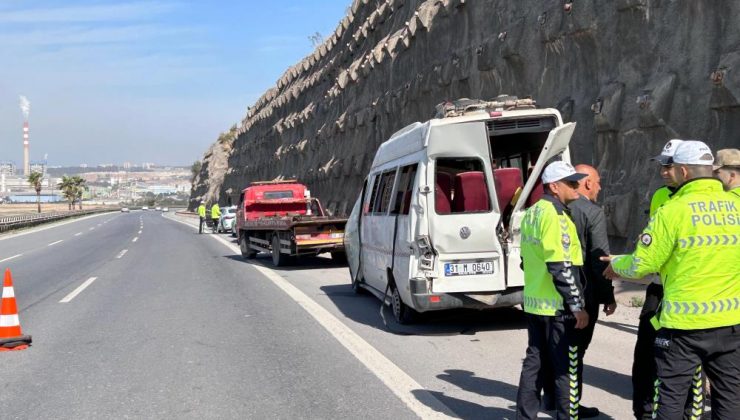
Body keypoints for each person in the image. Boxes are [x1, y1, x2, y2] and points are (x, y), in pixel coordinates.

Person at [603, 141, 740, 419]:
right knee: (729, 399)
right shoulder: (735, 206)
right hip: (730, 323)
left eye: (672, 168)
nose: (667, 173)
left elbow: (644, 263)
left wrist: (617, 264)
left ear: (684, 171)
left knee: (670, 400)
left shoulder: (673, 210)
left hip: (683, 327)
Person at [516, 161, 589, 420]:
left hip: (535, 303)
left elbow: (526, 260)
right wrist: (577, 305)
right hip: (557, 307)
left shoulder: (532, 213)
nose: (578, 185)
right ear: (555, 187)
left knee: (534, 363)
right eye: (571, 182)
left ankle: (525, 416)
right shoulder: (556, 217)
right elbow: (561, 266)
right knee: (565, 369)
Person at [631, 139, 686, 419]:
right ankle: (643, 410)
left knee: (682, 359)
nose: (663, 170)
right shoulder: (659, 196)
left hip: (688, 290)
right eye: (661, 165)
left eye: (669, 165)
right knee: (646, 352)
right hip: (659, 286)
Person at [566, 164, 616, 418]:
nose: (599, 187)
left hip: (555, 292)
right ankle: (571, 405)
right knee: (576, 352)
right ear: (586, 183)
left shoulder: (555, 208)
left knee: (556, 349)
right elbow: (600, 261)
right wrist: (608, 296)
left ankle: (555, 398)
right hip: (584, 294)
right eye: (597, 182)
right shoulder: (592, 212)